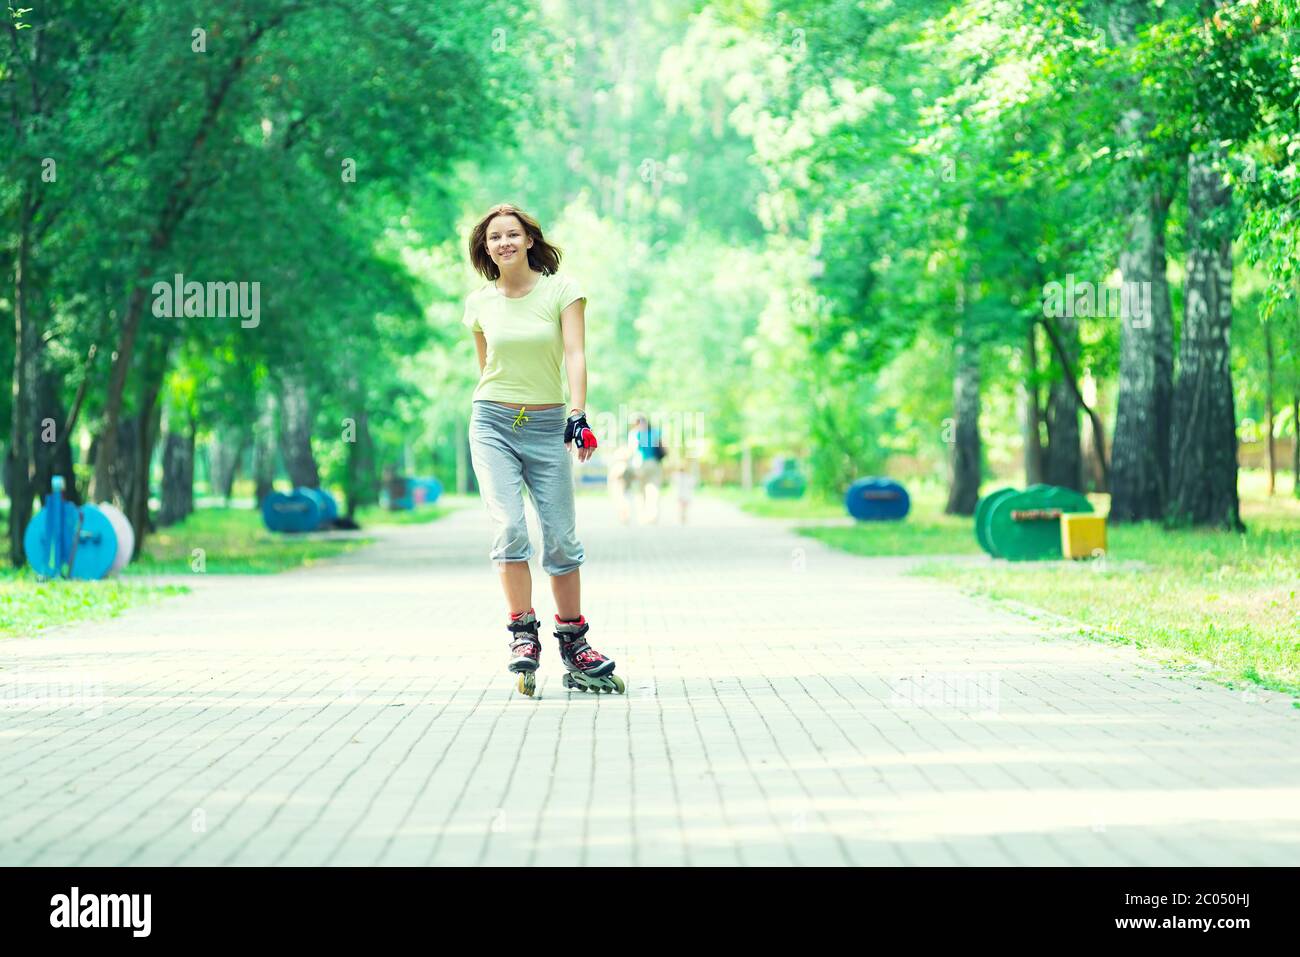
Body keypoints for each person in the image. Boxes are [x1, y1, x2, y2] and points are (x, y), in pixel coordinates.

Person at [462, 203, 623, 695]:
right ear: (485, 249)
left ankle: (574, 644)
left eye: (513, 234)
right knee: (509, 527)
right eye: (494, 238)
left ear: (530, 239)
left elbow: (575, 353)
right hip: (492, 422)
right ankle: (522, 633)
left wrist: (578, 413)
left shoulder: (562, 291)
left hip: (549, 423)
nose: (504, 243)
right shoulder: (479, 304)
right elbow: (487, 367)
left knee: (560, 539)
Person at [628, 413, 664, 524]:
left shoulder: (635, 433)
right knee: (654, 490)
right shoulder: (656, 432)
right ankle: (653, 516)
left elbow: (632, 450)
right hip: (654, 463)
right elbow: (665, 448)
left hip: (640, 464)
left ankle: (642, 516)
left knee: (639, 490)